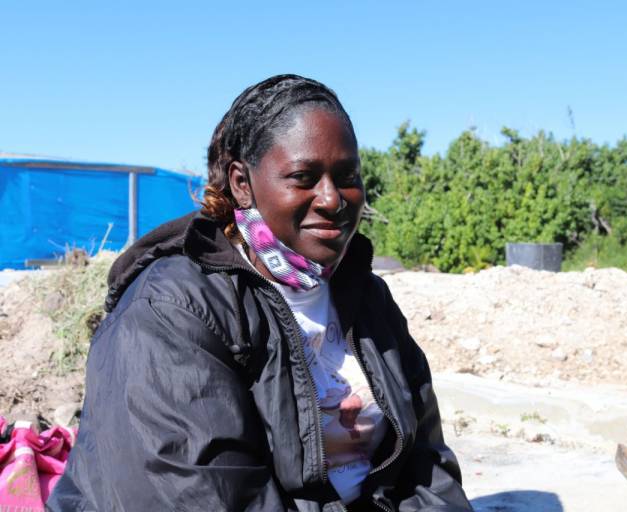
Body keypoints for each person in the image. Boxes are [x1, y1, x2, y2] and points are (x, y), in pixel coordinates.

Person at [47, 75, 472, 512]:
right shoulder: (172, 310)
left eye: (347, 176)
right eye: (303, 177)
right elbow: (198, 495)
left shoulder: (367, 298)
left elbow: (427, 468)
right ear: (242, 183)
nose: (332, 199)